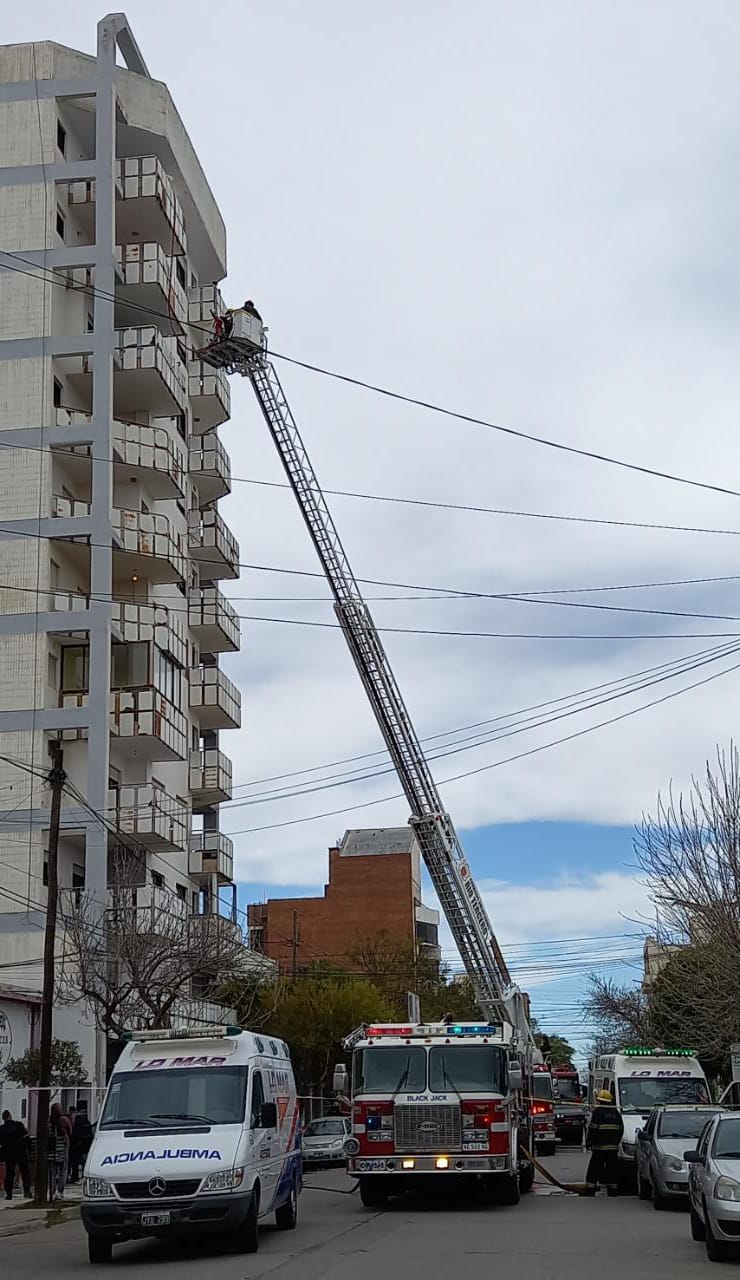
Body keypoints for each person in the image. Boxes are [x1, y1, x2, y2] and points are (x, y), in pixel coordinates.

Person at [584, 1088, 624, 1197]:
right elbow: (621, 1129)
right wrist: (615, 1143)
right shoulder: (616, 1113)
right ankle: (613, 1191)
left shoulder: (598, 1112)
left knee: (594, 1169)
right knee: (612, 1169)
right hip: (612, 1149)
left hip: (599, 1148)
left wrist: (589, 1143)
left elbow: (593, 1129)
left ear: (600, 1101)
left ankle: (590, 1190)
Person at [0, 1109, 31, 1201]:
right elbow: (26, 1137)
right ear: (10, 1116)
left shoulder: (1, 1129)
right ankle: (27, 1191)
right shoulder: (19, 1125)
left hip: (9, 1153)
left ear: (3, 1118)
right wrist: (28, 1148)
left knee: (9, 1173)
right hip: (21, 1152)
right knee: (25, 1172)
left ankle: (9, 1194)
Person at [48, 1102, 71, 1201]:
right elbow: (70, 1130)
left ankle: (52, 1191)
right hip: (62, 1146)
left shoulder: (49, 1121)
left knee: (52, 1171)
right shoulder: (64, 1119)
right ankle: (60, 1191)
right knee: (63, 1170)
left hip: (52, 1148)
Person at [68, 1100, 93, 1184]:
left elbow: (75, 1133)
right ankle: (79, 1176)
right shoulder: (86, 1122)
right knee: (82, 1162)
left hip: (78, 1145)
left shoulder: (78, 1121)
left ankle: (76, 1177)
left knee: (76, 1162)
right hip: (83, 1145)